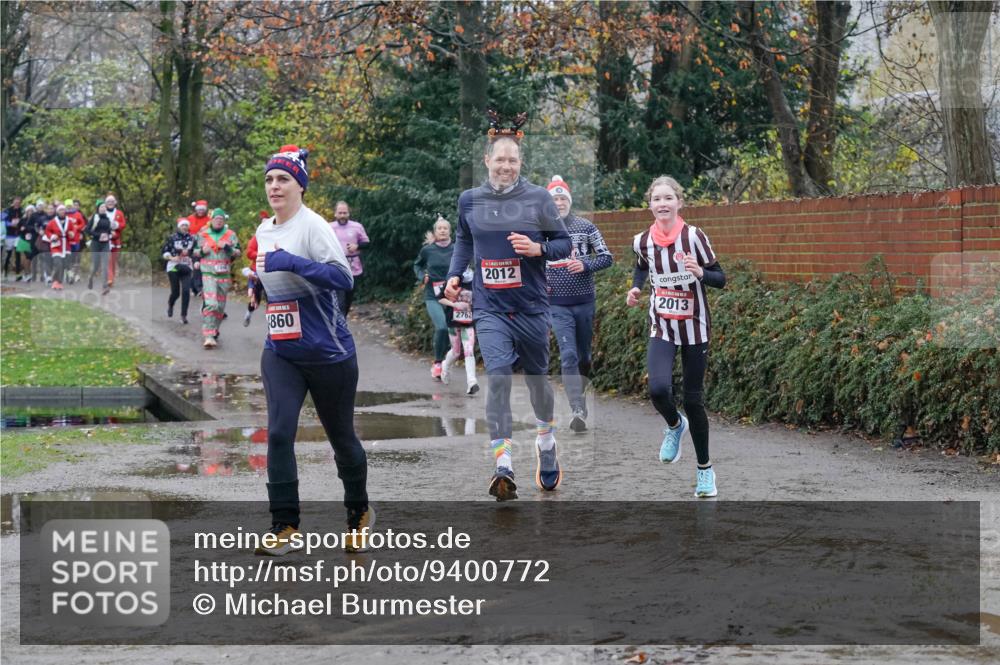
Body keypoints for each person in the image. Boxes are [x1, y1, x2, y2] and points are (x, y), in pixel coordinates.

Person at [444, 109, 571, 500]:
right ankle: (503, 462)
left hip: (531, 305)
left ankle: (546, 441)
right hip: (490, 307)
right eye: (499, 159)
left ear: (521, 163)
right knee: (497, 374)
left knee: (538, 382)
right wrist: (454, 272)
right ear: (487, 161)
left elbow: (563, 244)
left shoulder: (537, 199)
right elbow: (464, 239)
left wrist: (538, 248)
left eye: (512, 160)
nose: (505, 166)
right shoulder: (470, 200)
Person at [253, 144, 371, 555]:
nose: (274, 186)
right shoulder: (263, 230)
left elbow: (342, 279)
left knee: (342, 439)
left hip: (328, 353)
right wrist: (257, 285)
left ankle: (358, 512)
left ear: (300, 185)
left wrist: (291, 263)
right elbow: (271, 270)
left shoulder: (314, 226)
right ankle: (284, 525)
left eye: (283, 178)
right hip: (282, 350)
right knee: (280, 433)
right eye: (269, 179)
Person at [625, 176, 726, 498]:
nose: (663, 204)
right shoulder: (642, 240)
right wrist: (637, 287)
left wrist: (700, 273)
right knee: (657, 390)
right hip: (662, 324)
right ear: (651, 204)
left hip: (695, 326)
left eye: (669, 198)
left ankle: (705, 471)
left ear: (679, 202)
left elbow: (720, 278)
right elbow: (642, 266)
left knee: (694, 400)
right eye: (657, 199)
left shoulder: (695, 237)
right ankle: (673, 425)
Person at [544, 175, 614, 433]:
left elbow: (607, 257)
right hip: (557, 304)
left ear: (569, 201)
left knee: (583, 357)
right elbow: (531, 264)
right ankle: (576, 409)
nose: (559, 203)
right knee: (569, 355)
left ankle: (581, 401)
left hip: (584, 302)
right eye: (554, 199)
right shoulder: (542, 231)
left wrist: (585, 264)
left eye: (563, 198)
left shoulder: (586, 227)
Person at [413, 215, 455, 380]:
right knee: (442, 327)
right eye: (440, 228)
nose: (443, 230)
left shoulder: (457, 248)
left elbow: (466, 265)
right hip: (433, 296)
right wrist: (421, 276)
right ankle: (437, 363)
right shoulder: (428, 250)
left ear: (450, 231)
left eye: (445, 228)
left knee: (453, 332)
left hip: (452, 294)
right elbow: (417, 264)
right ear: (435, 231)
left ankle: (446, 363)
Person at [194, 208, 241, 348]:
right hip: (208, 273)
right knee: (211, 304)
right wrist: (203, 251)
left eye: (221, 219)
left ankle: (214, 330)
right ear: (211, 220)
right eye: (216, 219)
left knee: (220, 307)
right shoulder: (203, 234)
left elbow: (238, 252)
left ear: (224, 221)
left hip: (224, 274)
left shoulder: (230, 235)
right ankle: (208, 336)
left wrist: (227, 248)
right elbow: (195, 252)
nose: (219, 221)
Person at [438, 269, 480, 395]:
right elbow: (440, 298)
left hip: (469, 323)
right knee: (456, 352)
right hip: (453, 322)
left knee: (469, 351)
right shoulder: (453, 279)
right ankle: (445, 366)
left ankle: (472, 383)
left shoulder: (476, 280)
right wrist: (455, 305)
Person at [329, 201, 369, 316]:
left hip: (353, 268)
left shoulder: (357, 226)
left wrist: (357, 246)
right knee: (339, 300)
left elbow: (367, 243)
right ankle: (340, 327)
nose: (342, 215)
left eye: (345, 213)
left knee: (348, 300)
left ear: (348, 214)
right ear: (335, 214)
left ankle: (342, 321)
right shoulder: (329, 227)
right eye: (340, 213)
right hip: (336, 267)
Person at [162, 217, 197, 324]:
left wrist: (195, 258)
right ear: (179, 227)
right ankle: (170, 304)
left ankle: (183, 315)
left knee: (186, 291)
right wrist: (172, 258)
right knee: (176, 292)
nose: (185, 227)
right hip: (173, 267)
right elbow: (164, 252)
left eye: (186, 225)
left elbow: (196, 251)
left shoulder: (192, 238)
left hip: (186, 266)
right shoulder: (172, 238)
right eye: (183, 225)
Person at [42, 203, 81, 290]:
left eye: (63, 210)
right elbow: (47, 231)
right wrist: (52, 236)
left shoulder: (69, 221)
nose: (62, 211)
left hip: (66, 244)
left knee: (65, 264)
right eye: (60, 210)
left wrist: (72, 234)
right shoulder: (52, 222)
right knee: (58, 263)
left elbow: (73, 230)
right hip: (56, 244)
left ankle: (59, 281)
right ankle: (56, 281)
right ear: (57, 211)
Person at [87, 199, 113, 294]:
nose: (103, 208)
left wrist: (110, 234)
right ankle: (90, 277)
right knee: (95, 266)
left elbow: (108, 231)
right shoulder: (95, 217)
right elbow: (87, 230)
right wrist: (98, 235)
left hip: (105, 244)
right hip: (95, 244)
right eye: (101, 207)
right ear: (98, 208)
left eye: (104, 207)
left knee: (105, 265)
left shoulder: (107, 219)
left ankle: (104, 287)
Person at [187, 200, 211, 296]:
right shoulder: (189, 219)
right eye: (199, 210)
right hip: (190, 244)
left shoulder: (209, 220)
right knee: (195, 266)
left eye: (202, 210)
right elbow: (184, 230)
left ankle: (196, 287)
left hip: (203, 243)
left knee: (199, 266)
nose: (200, 211)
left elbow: (211, 230)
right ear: (196, 210)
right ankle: (197, 287)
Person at [104, 194, 126, 286]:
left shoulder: (119, 213)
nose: (110, 203)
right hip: (105, 240)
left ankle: (111, 278)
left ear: (115, 203)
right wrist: (108, 232)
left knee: (113, 260)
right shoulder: (103, 212)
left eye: (112, 202)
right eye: (108, 202)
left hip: (116, 240)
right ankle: (109, 278)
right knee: (108, 259)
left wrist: (116, 225)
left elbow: (123, 224)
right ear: (105, 203)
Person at [65, 199, 87, 283]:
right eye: (69, 206)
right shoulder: (64, 214)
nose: (70, 207)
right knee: (67, 257)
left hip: (76, 238)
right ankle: (69, 273)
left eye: (71, 205)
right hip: (67, 239)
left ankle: (75, 274)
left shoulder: (78, 214)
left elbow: (83, 224)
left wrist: (77, 228)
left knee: (76, 257)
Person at [14, 204, 36, 282]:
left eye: (31, 211)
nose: (30, 212)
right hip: (23, 239)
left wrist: (26, 227)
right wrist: (21, 229)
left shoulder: (34, 219)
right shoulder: (22, 219)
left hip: (31, 240)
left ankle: (28, 273)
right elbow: (18, 229)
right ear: (26, 211)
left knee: (29, 257)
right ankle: (26, 273)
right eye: (28, 211)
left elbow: (35, 229)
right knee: (24, 257)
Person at [3, 196, 23, 279]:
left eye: (19, 202)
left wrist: (21, 225)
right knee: (8, 254)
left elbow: (24, 220)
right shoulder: (7, 210)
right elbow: (3, 220)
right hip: (9, 235)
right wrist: (11, 224)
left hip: (18, 235)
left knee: (18, 253)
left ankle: (18, 273)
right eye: (16, 202)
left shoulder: (22, 210)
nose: (17, 203)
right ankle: (5, 273)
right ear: (13, 202)